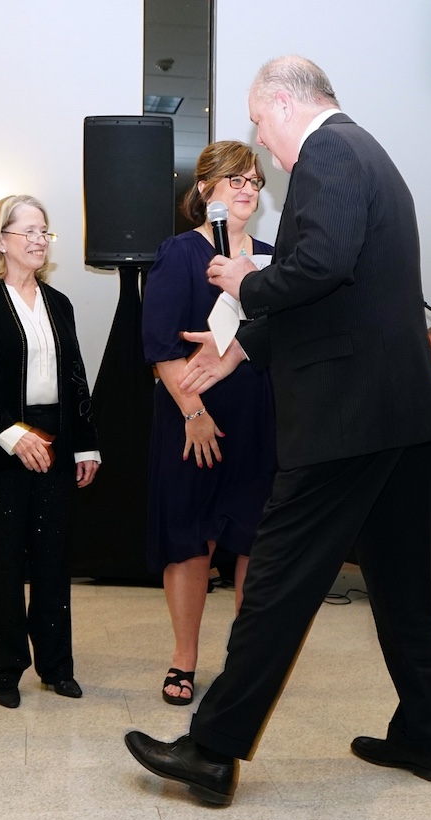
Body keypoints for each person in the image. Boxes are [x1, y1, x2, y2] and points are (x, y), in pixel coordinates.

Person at [125, 55, 431, 805]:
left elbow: (321, 266)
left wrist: (246, 283)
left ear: (283, 101)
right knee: (403, 582)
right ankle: (427, 735)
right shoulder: (367, 152)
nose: (267, 151)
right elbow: (333, 300)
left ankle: (212, 750)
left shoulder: (328, 151)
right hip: (398, 413)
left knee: (275, 578)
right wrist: (237, 349)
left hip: (348, 414)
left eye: (260, 124)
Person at [142, 141, 277, 706]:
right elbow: (161, 344)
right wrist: (194, 413)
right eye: (235, 180)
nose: (247, 190)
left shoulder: (274, 258)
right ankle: (184, 660)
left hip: (259, 417)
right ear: (205, 190)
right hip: (191, 418)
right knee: (191, 540)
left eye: (254, 181)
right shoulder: (179, 253)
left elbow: (284, 337)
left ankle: (243, 667)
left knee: (254, 541)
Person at [0, 195, 100, 709]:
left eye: (44, 231)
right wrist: (14, 436)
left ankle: (57, 667)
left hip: (56, 440)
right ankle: (5, 668)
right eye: (29, 231)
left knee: (53, 560)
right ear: (1, 240)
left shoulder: (59, 303)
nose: (40, 240)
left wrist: (86, 443)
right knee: (2, 563)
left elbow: (76, 376)